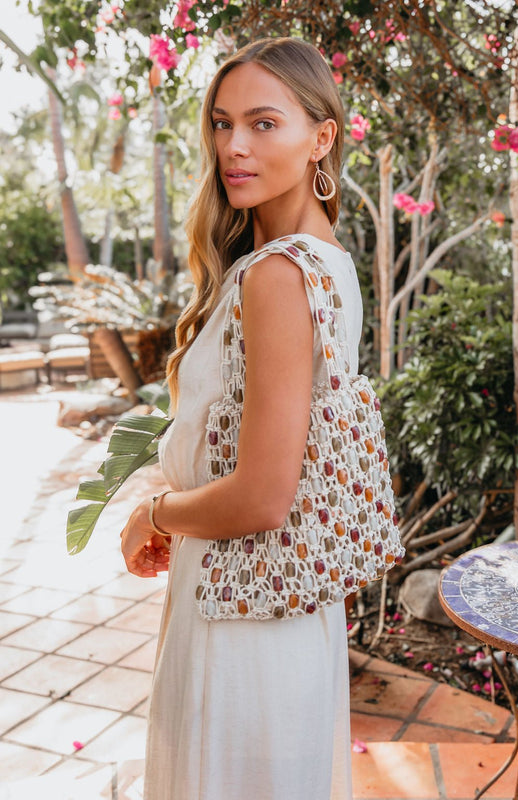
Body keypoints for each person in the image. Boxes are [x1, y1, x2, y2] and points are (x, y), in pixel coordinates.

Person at [120, 36, 363, 800]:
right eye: (222, 124)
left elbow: (262, 494)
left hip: (240, 618)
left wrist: (152, 514)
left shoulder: (277, 276)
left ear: (320, 136)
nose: (233, 146)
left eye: (263, 123)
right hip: (279, 604)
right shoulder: (326, 260)